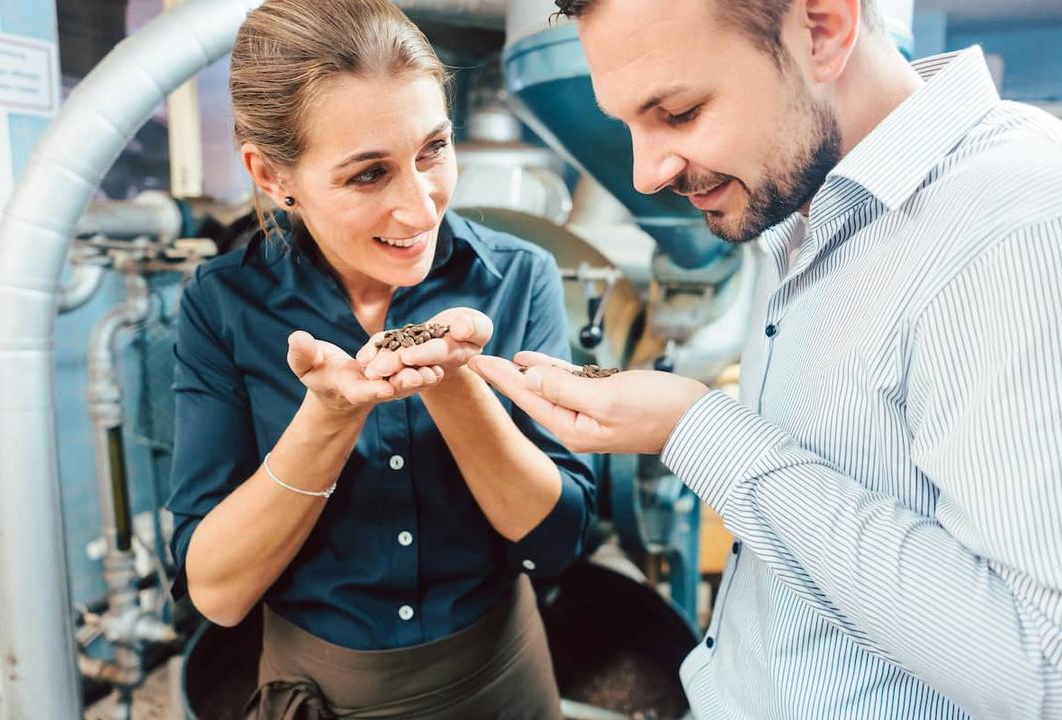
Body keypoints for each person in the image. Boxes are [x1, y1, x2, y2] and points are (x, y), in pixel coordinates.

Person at [469, 0, 1062, 717]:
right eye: (627, 123)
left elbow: (1039, 665)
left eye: (679, 112)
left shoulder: (1018, 222)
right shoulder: (801, 211)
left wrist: (695, 427)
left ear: (822, 29)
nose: (647, 172)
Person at [165, 1, 595, 717]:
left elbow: (556, 542)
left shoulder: (519, 279)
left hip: (500, 678)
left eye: (432, 149)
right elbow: (218, 592)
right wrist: (329, 417)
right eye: (369, 175)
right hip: (323, 691)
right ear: (273, 177)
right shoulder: (224, 304)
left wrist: (453, 380)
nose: (422, 209)